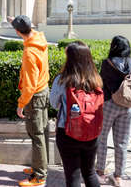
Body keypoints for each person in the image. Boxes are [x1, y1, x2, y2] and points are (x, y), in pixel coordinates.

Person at [50, 41, 102, 187]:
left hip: (67, 132)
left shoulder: (62, 80)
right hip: (92, 132)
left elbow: (54, 104)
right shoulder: (96, 80)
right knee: (90, 173)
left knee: (73, 175)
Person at [10, 15, 50, 187]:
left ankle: (39, 177)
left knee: (37, 135)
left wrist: (21, 104)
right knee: (41, 133)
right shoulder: (39, 38)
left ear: (18, 32)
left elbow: (29, 85)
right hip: (44, 90)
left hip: (35, 96)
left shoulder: (29, 52)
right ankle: (39, 166)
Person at [96, 36, 131, 187]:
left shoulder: (107, 63)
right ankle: (118, 176)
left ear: (114, 47)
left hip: (109, 104)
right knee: (122, 142)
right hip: (127, 105)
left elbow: (101, 81)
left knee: (102, 139)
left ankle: (100, 171)